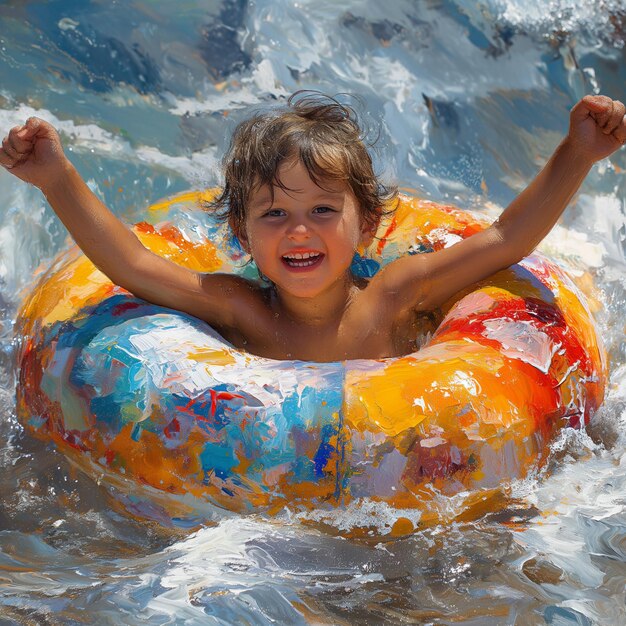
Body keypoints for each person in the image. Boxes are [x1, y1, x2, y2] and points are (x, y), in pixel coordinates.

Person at [1, 92, 624, 362]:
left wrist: (579, 152)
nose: (299, 232)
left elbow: (504, 241)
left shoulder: (395, 294)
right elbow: (133, 265)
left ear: (368, 223)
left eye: (323, 211)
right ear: (243, 238)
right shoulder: (243, 309)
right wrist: (56, 176)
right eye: (274, 214)